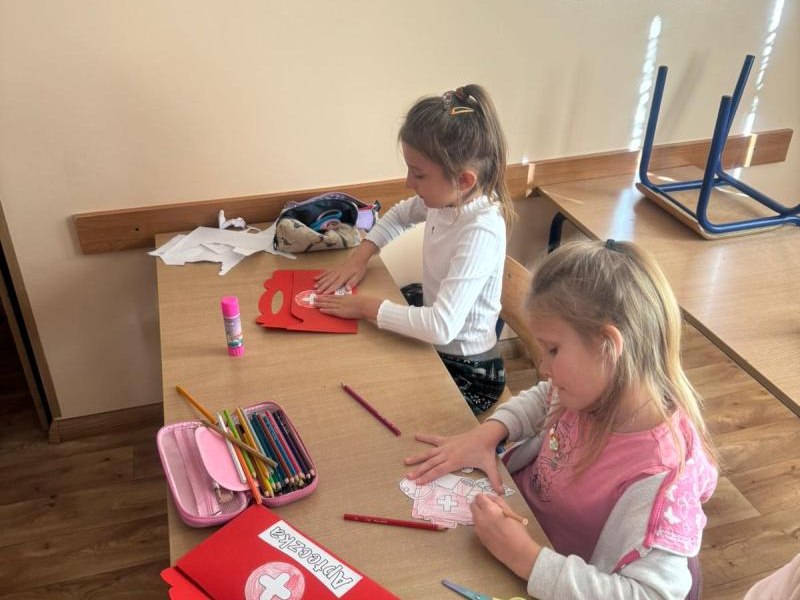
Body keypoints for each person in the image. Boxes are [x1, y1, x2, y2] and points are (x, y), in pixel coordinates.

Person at [404, 239, 719, 600]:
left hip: (548, 574)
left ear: (608, 346)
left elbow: (650, 595)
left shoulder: (661, 479)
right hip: (519, 529)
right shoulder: (594, 388)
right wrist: (491, 432)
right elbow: (546, 397)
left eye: (552, 350)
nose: (543, 367)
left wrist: (525, 558)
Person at [314, 84, 516, 415]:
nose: (409, 182)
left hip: (471, 372)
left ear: (464, 180)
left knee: (378, 396)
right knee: (374, 334)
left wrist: (367, 307)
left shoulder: (480, 230)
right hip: (439, 338)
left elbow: (440, 327)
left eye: (419, 174)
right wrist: (360, 257)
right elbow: (400, 215)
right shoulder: (448, 199)